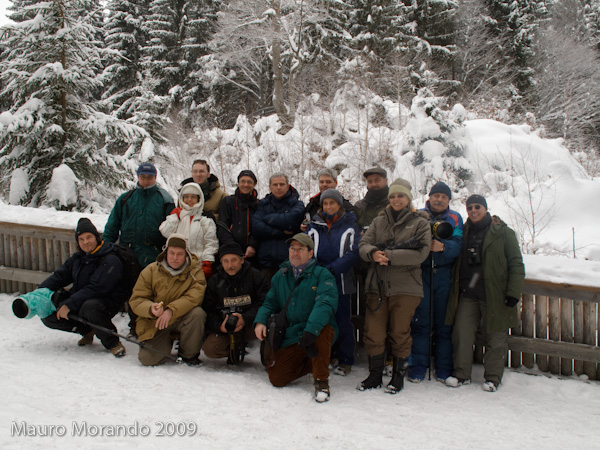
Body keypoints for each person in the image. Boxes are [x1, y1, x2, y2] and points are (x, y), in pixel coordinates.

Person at [357, 179, 431, 394]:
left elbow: (421, 253)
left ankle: (398, 376)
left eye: (401, 196)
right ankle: (375, 375)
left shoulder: (420, 223)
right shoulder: (379, 221)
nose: (396, 199)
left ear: (408, 198)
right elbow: (363, 244)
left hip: (406, 287)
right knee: (374, 332)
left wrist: (388, 256)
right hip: (377, 285)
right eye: (393, 196)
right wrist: (373, 253)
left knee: (400, 332)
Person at [445, 195, 524, 392]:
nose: (473, 210)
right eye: (469, 207)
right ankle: (461, 374)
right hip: (468, 293)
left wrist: (513, 292)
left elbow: (516, 263)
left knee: (496, 338)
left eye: (477, 207)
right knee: (461, 333)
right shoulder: (464, 231)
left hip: (495, 294)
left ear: (486, 209)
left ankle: (493, 378)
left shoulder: (503, 232)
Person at [254, 233, 338, 403]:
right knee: (277, 378)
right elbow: (270, 302)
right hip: (292, 334)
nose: (295, 253)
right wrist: (260, 321)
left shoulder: (322, 275)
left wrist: (311, 330)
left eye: (300, 249)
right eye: (292, 249)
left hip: (316, 330)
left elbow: (325, 304)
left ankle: (321, 381)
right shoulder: (281, 275)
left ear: (310, 253)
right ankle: (315, 360)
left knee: (323, 331)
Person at [39, 218, 128, 357]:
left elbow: (97, 288)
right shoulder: (78, 258)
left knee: (90, 307)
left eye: (89, 237)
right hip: (80, 299)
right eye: (81, 239)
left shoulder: (110, 259)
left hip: (105, 302)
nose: (86, 242)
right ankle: (87, 330)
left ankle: (113, 343)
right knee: (47, 310)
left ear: (96, 237)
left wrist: (69, 304)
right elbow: (59, 276)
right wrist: (39, 293)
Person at [409, 181, 464, 383]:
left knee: (444, 323)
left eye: (443, 197)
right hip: (421, 272)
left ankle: (444, 366)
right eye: (436, 196)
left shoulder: (455, 218)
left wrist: (443, 247)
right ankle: (418, 365)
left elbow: (458, 244)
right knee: (421, 321)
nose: (439, 200)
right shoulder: (418, 214)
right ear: (429, 197)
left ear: (448, 200)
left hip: (444, 274)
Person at [129, 234, 207, 366]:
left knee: (197, 314)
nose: (175, 258)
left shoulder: (195, 272)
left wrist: (171, 310)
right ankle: (164, 342)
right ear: (165, 253)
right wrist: (150, 308)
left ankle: (188, 354)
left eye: (179, 254)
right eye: (172, 253)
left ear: (186, 255)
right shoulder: (150, 270)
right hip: (156, 321)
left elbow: (194, 297)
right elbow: (137, 299)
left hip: (182, 317)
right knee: (147, 359)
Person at [307, 188, 360, 376]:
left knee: (343, 321)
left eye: (332, 203)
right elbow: (307, 250)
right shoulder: (314, 226)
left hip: (342, 281)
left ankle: (345, 359)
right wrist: (319, 270)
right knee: (322, 319)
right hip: (318, 280)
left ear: (339, 205)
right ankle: (325, 356)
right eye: (325, 203)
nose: (329, 206)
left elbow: (354, 252)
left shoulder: (350, 225)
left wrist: (332, 269)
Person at [202, 242, 269, 364]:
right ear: (221, 263)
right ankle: (236, 348)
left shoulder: (256, 276)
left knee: (268, 328)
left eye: (234, 260)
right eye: (226, 261)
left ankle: (267, 357)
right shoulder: (214, 281)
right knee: (211, 349)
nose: (230, 265)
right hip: (226, 325)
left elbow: (265, 302)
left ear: (242, 260)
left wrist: (245, 318)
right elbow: (208, 309)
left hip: (251, 323)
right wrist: (220, 326)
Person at [104, 162, 175, 268]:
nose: (146, 180)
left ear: (155, 178)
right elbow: (112, 227)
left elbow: (173, 230)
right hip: (126, 255)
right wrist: (104, 250)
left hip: (154, 257)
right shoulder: (125, 199)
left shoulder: (165, 200)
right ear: (137, 177)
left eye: (149, 177)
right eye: (143, 177)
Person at [251, 173, 305, 279]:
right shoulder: (262, 204)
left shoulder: (297, 204)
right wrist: (281, 232)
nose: (278, 187)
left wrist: (267, 219)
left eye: (282, 184)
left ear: (288, 186)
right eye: (275, 185)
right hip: (265, 263)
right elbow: (256, 227)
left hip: (290, 263)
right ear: (270, 187)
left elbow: (290, 221)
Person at [160, 182, 218, 279]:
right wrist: (174, 216)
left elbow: (211, 243)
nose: (189, 200)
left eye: (193, 197)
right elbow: (165, 231)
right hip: (176, 266)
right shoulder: (177, 218)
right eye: (186, 197)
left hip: (197, 267)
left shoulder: (205, 220)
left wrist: (207, 262)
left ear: (199, 199)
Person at [217, 170, 260, 263]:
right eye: (243, 181)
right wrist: (233, 247)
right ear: (238, 183)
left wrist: (252, 245)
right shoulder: (228, 201)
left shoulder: (259, 204)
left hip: (253, 253)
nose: (246, 184)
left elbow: (259, 228)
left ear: (254, 185)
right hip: (230, 251)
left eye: (249, 182)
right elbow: (222, 226)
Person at [353, 167, 389, 231]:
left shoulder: (395, 203)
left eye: (377, 180)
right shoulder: (360, 206)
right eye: (370, 181)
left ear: (385, 181)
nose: (373, 184)